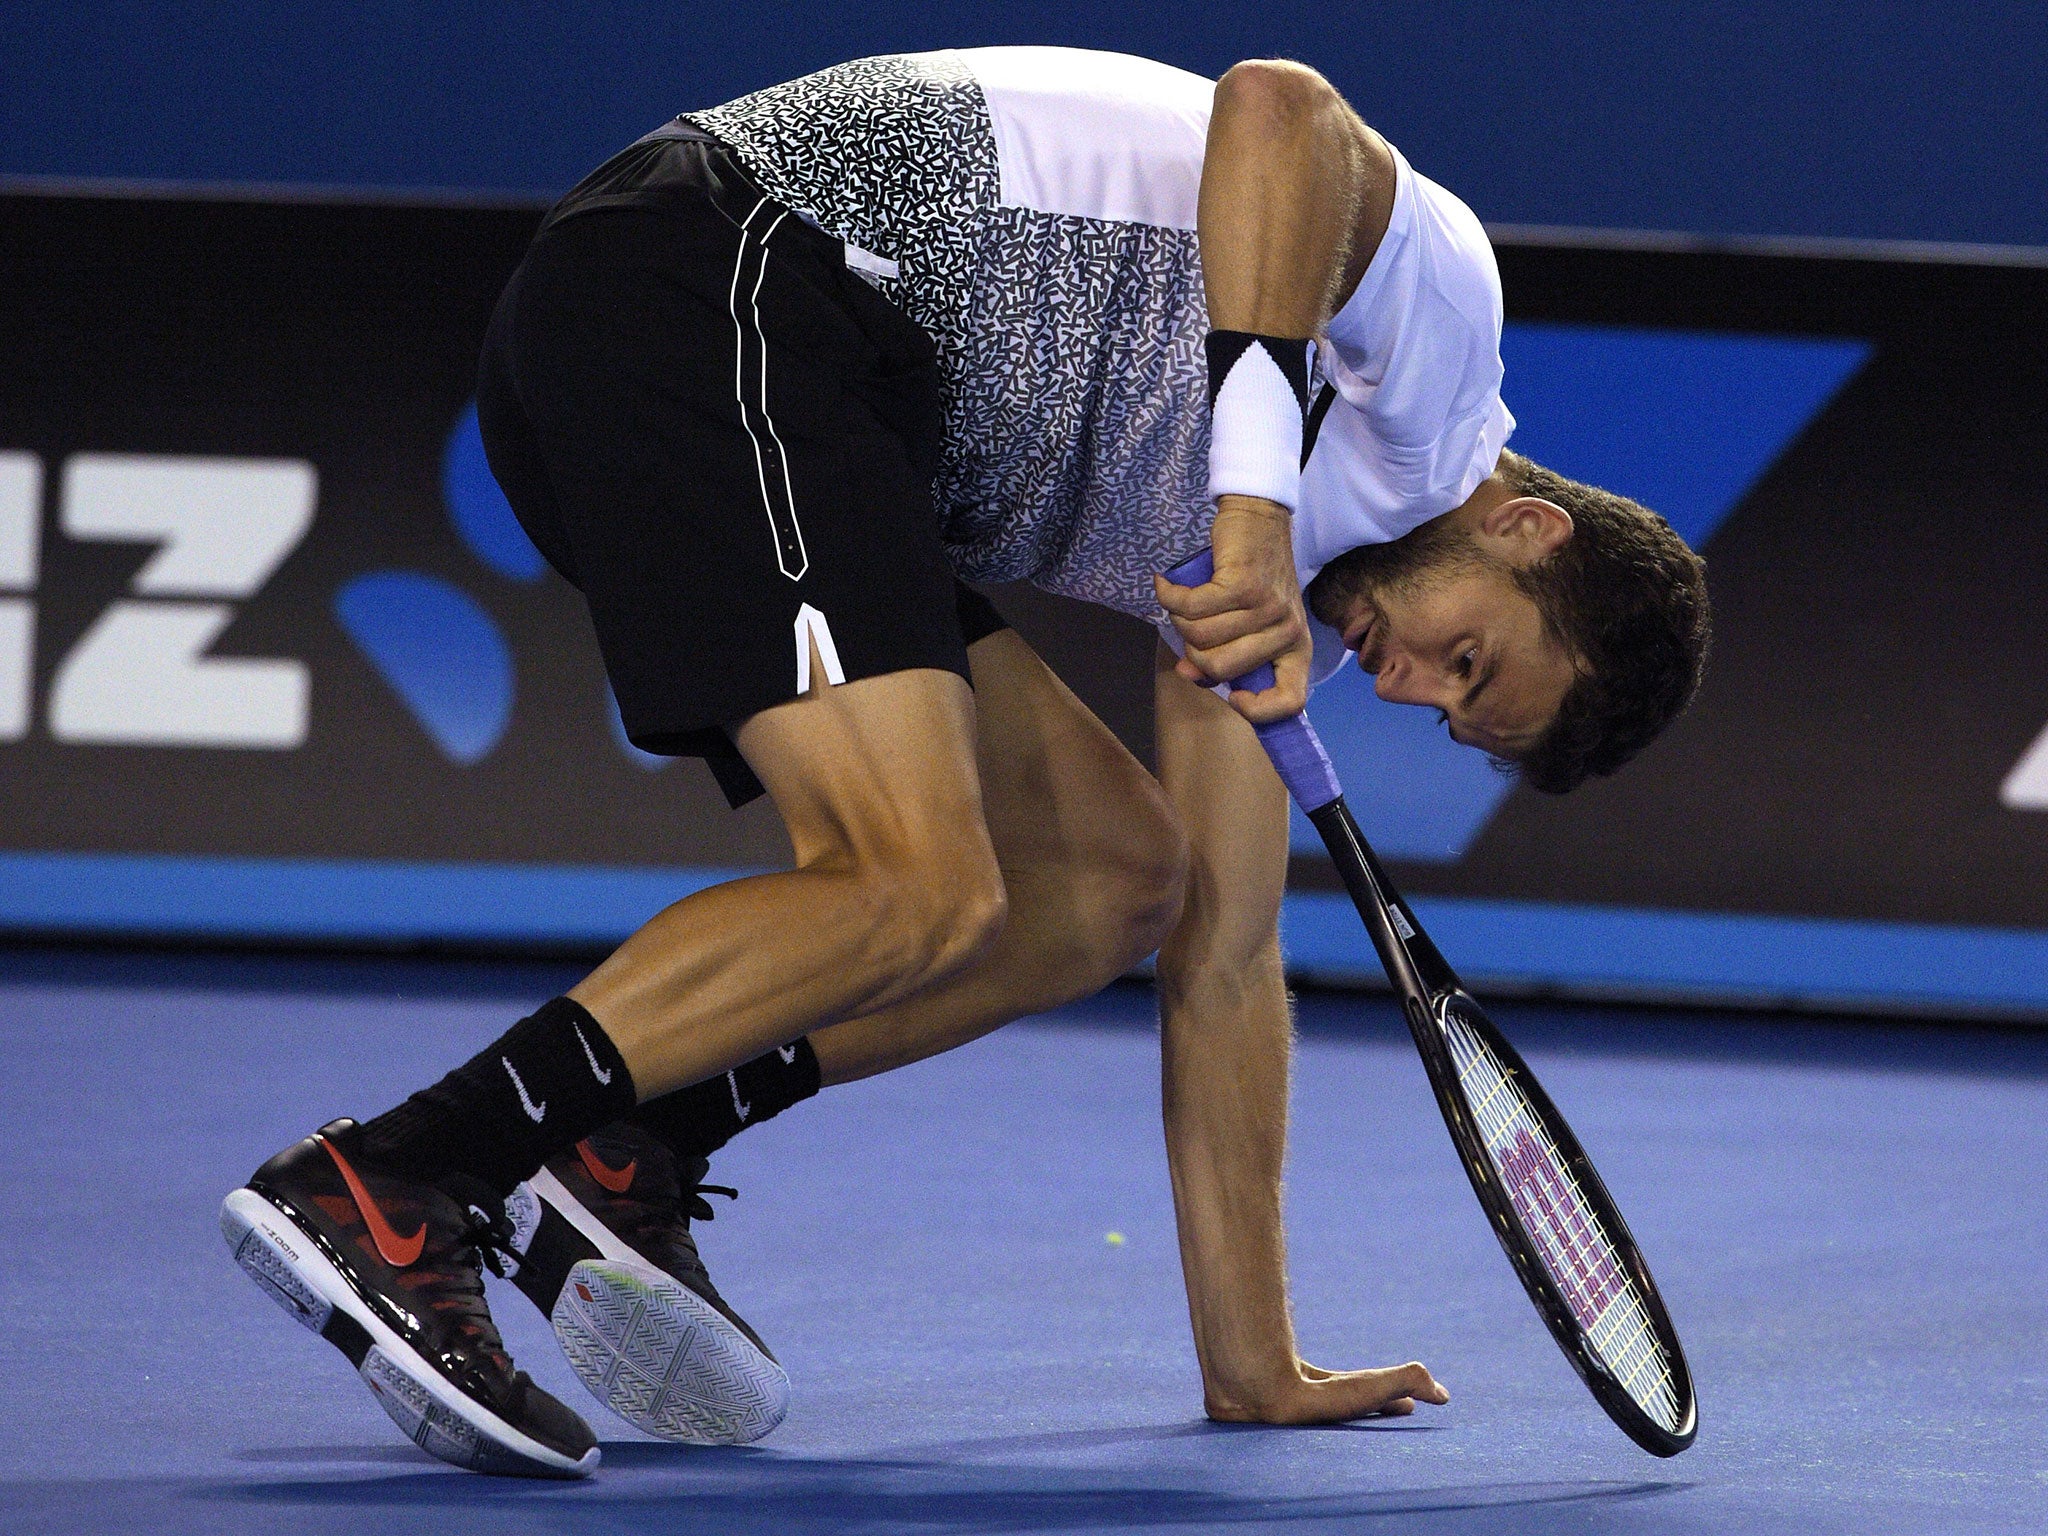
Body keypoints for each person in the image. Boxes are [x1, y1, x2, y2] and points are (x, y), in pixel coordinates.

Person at [221, 46, 1710, 1477]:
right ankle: (400, 1178)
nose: (1405, 683)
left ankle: (630, 1143)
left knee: (1123, 882)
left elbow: (1228, 962)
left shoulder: (1282, 589)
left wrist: (1255, 1366)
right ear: (1528, 532)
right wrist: (1251, 518)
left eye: (1443, 710)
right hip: (717, 274)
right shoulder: (1440, 353)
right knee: (910, 883)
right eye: (1470, 660)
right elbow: (1277, 107)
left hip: (787, 405)